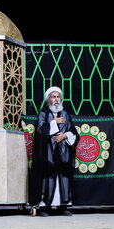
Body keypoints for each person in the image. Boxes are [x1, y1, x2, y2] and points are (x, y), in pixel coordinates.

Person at [28, 86, 77, 217]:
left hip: (63, 153)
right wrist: (53, 122)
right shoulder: (43, 114)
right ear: (48, 99)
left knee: (63, 178)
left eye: (58, 97)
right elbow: (40, 131)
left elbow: (73, 131)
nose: (56, 99)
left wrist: (65, 135)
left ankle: (63, 206)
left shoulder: (65, 114)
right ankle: (45, 207)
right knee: (47, 179)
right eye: (53, 97)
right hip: (47, 153)